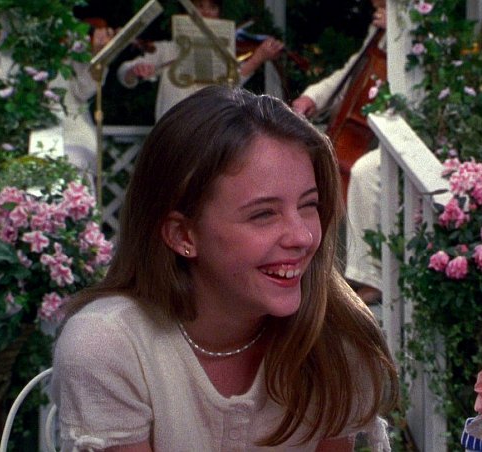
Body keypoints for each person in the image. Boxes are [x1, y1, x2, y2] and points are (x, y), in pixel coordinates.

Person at [50, 86, 399, 451]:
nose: (303, 236)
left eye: (308, 205)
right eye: (264, 214)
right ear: (183, 234)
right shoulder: (109, 346)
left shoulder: (335, 340)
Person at [291, 0, 386, 305]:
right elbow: (351, 72)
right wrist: (312, 98)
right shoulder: (379, 32)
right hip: (361, 132)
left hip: (392, 136)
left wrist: (401, 32)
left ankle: (368, 278)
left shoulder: (415, 35)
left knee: (363, 173)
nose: (376, 6)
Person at [117, 0, 285, 120]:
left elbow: (232, 85)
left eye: (212, 7)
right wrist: (135, 70)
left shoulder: (223, 52)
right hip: (172, 129)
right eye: (199, 6)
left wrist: (258, 57)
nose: (206, 13)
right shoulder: (167, 48)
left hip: (208, 130)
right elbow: (124, 72)